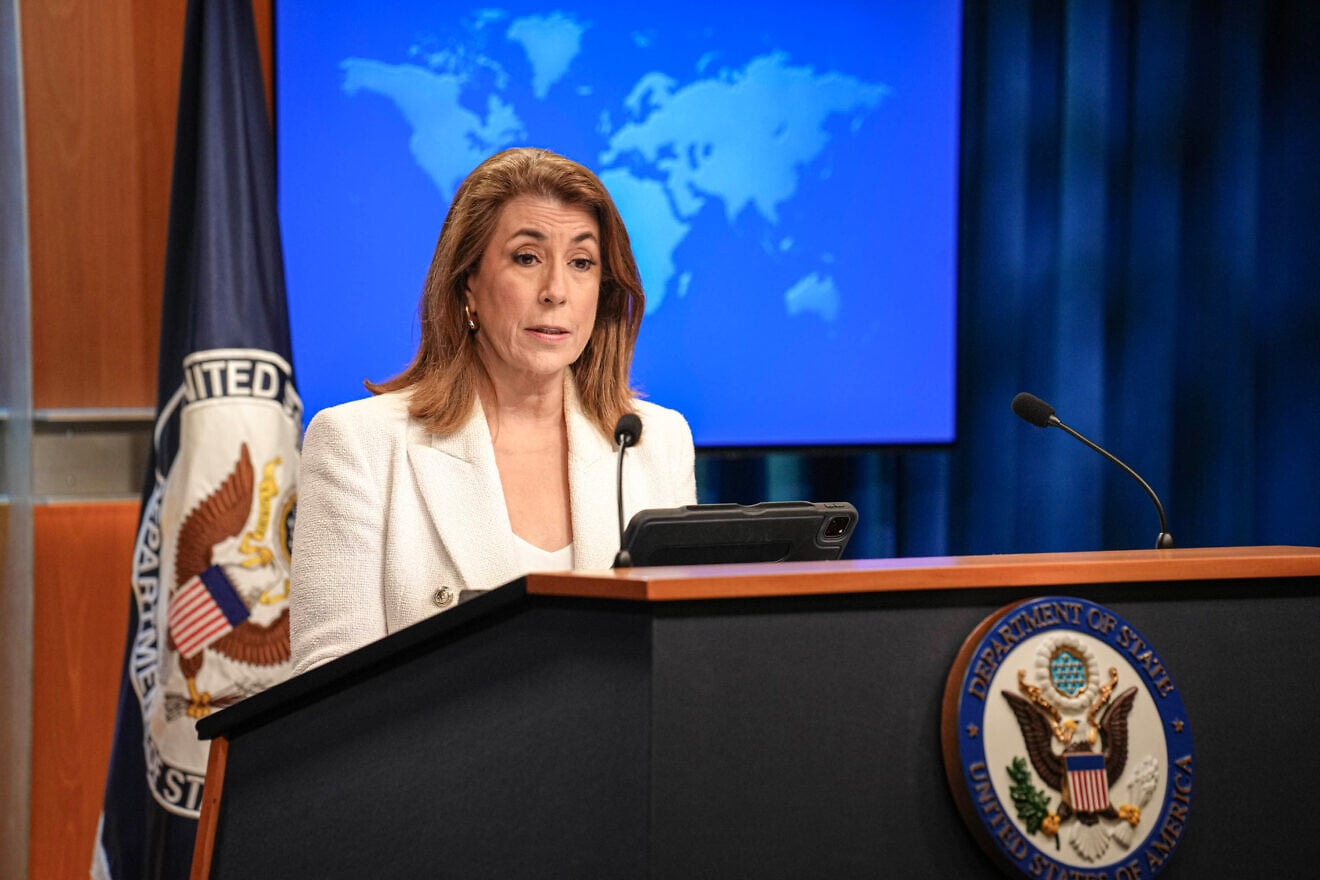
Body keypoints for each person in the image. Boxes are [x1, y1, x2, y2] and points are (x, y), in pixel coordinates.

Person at [290, 147, 697, 674]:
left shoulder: (654, 441)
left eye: (581, 262)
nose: (556, 291)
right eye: (527, 258)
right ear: (469, 285)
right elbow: (326, 688)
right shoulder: (358, 445)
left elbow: (678, 655)